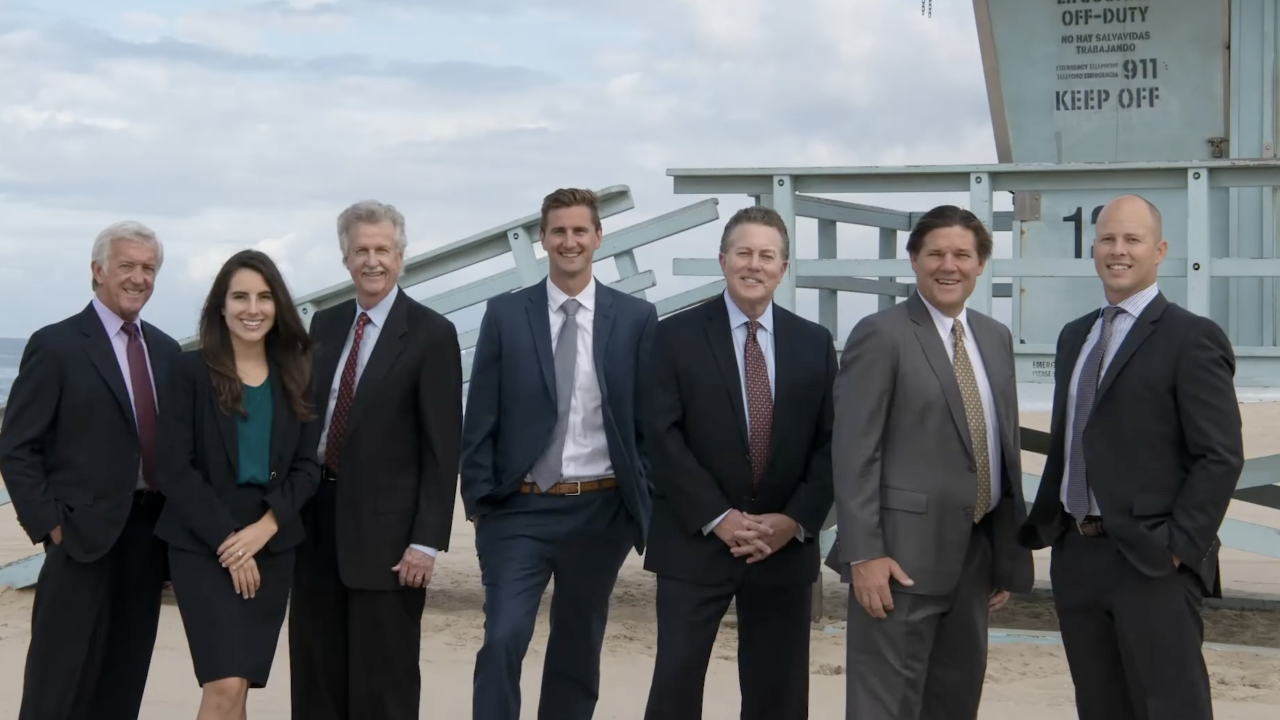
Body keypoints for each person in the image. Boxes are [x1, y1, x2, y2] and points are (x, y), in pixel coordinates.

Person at [1019, 194, 1244, 720]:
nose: (1118, 251)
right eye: (1108, 239)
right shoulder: (1075, 336)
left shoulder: (1192, 338)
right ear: (1094, 248)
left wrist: (1176, 548)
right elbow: (1073, 439)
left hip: (1152, 564)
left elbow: (1220, 454)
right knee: (1099, 708)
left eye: (1132, 240)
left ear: (1160, 250)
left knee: (1171, 708)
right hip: (1077, 557)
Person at [826, 204, 1034, 719]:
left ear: (980, 264)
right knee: (885, 708)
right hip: (898, 563)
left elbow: (1000, 446)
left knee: (955, 703)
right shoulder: (882, 334)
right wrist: (863, 554)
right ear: (914, 260)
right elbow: (854, 451)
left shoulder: (995, 337)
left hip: (977, 559)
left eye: (962, 254)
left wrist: (1005, 550)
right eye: (936, 253)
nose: (949, 265)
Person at [460, 187, 658, 720]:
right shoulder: (505, 314)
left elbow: (648, 421)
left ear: (597, 237)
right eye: (558, 232)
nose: (569, 241)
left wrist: (638, 504)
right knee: (503, 637)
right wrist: (480, 504)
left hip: (600, 511)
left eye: (579, 231)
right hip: (518, 510)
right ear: (543, 239)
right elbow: (480, 417)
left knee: (577, 648)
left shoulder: (637, 318)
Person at [641, 205, 836, 720]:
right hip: (695, 542)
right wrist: (719, 517)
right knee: (676, 688)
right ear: (723, 259)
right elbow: (660, 438)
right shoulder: (674, 336)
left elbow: (831, 444)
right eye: (744, 252)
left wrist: (792, 520)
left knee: (779, 694)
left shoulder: (814, 344)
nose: (754, 264)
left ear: (783, 268)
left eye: (767, 255)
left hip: (782, 549)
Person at [288, 200, 464, 720]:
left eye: (382, 250)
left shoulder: (432, 334)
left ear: (401, 257)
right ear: (346, 259)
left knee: (383, 684)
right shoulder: (325, 323)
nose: (372, 261)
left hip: (390, 540)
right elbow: (305, 419)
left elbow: (442, 448)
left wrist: (426, 542)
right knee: (316, 675)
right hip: (316, 522)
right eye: (361, 250)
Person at [0, 221, 181, 720]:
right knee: (57, 684)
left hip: (148, 541)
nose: (138, 277)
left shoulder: (167, 352)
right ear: (98, 271)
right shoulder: (56, 345)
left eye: (148, 268)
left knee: (122, 682)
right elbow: (17, 446)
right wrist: (49, 524)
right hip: (78, 538)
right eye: (127, 265)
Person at [153, 250, 321, 719]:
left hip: (272, 540)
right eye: (240, 296)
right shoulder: (189, 371)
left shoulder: (299, 373)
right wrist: (230, 542)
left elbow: (307, 467)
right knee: (224, 682)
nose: (253, 308)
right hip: (202, 542)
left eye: (265, 297)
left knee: (240, 687)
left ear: (278, 305)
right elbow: (173, 467)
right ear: (220, 307)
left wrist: (264, 529)